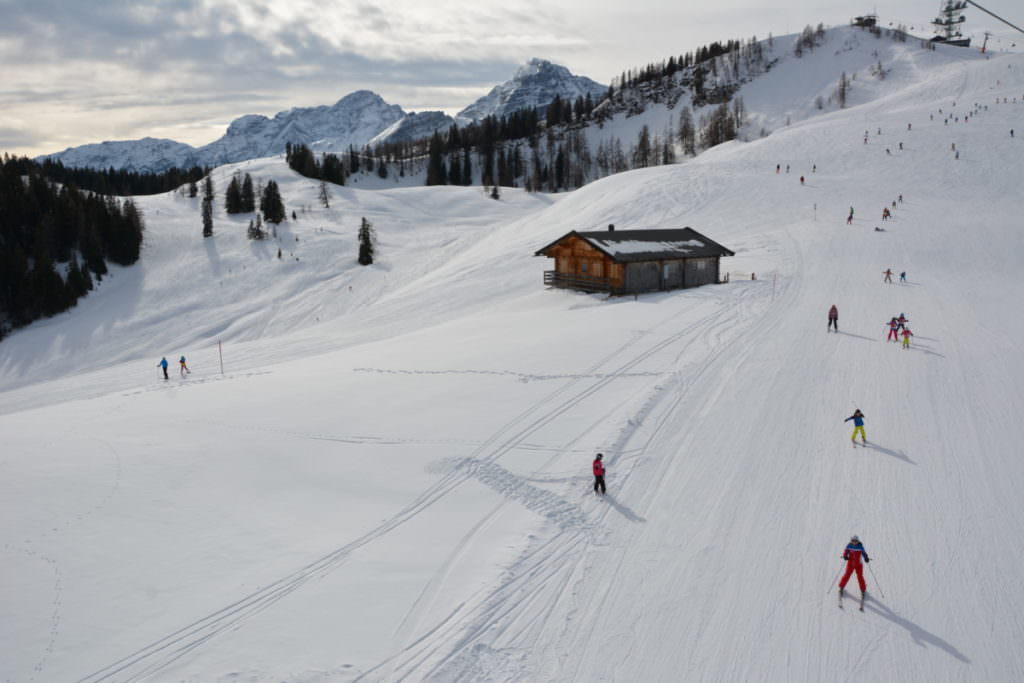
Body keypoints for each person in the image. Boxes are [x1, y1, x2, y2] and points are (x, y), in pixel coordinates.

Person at [838, 535, 871, 606]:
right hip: (850, 564)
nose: (854, 542)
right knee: (846, 575)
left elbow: (864, 553)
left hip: (859, 564)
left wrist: (866, 558)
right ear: (851, 541)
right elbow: (845, 552)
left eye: (855, 541)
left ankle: (863, 589)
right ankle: (841, 587)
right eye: (853, 541)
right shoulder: (849, 546)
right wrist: (845, 556)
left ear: (858, 541)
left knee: (860, 577)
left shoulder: (860, 547)